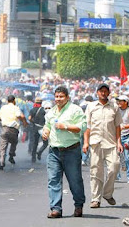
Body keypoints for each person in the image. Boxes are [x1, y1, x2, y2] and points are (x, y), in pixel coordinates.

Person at [42, 86, 86, 218]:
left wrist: (65, 126)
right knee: (53, 180)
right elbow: (48, 125)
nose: (58, 99)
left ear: (67, 97)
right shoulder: (51, 112)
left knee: (75, 180)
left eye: (61, 97)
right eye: (56, 96)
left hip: (71, 150)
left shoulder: (75, 110)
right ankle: (56, 209)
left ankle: (78, 205)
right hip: (54, 151)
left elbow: (82, 127)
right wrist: (45, 132)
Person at [83, 83, 123, 209]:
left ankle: (107, 193)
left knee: (114, 167)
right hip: (95, 143)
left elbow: (118, 126)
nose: (103, 93)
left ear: (109, 93)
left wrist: (119, 142)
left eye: (106, 91)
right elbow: (87, 127)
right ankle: (95, 199)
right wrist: (85, 142)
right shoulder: (91, 107)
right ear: (97, 93)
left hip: (110, 143)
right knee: (96, 171)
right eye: (101, 91)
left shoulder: (114, 107)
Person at [0, 95, 28, 170]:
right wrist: (24, 123)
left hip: (4, 129)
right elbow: (21, 116)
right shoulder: (16, 108)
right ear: (14, 101)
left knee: (3, 147)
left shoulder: (3, 107)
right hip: (13, 129)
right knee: (14, 142)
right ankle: (11, 155)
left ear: (8, 101)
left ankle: (2, 161)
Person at [117, 95, 129, 184]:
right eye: (118, 101)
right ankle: (117, 177)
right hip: (117, 136)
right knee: (116, 157)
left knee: (128, 158)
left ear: (126, 102)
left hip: (128, 136)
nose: (119, 102)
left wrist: (122, 127)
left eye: (121, 101)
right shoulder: (116, 110)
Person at [28, 97, 46, 163]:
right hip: (42, 128)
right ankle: (39, 152)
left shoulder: (32, 110)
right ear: (41, 103)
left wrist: (33, 122)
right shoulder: (43, 110)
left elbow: (29, 118)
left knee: (35, 143)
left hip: (35, 128)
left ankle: (33, 158)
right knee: (45, 143)